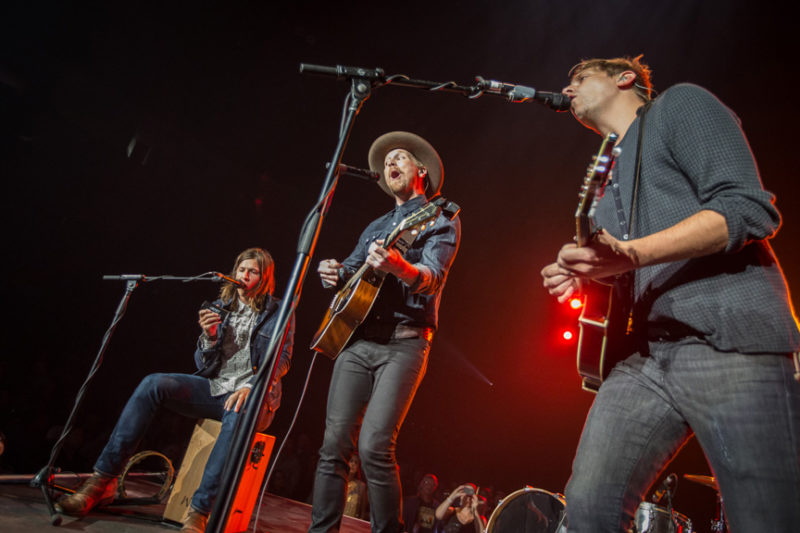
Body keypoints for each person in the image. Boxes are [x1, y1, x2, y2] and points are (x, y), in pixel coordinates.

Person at [540, 55, 800, 531]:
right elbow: (627, 266)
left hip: (729, 334)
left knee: (767, 518)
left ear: (626, 78)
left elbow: (747, 209)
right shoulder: (608, 171)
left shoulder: (681, 104)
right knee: (588, 505)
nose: (568, 88)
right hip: (647, 357)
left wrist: (631, 254)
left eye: (579, 77)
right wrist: (586, 274)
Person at [55, 247, 295, 533]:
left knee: (238, 408)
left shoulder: (279, 311)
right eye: (242, 269)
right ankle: (101, 481)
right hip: (216, 387)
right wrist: (209, 337)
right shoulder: (220, 305)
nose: (245, 275)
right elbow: (202, 363)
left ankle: (200, 511)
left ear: (265, 277)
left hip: (254, 398)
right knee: (153, 384)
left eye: (253, 271)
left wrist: (251, 386)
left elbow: (283, 360)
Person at [308, 131, 461, 533]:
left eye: (401, 158)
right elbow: (352, 272)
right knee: (333, 445)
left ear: (421, 172)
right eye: (387, 160)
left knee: (374, 446)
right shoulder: (376, 224)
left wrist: (399, 266)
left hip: (405, 344)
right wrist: (334, 272)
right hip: (358, 341)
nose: (390, 164)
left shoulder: (441, 218)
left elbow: (432, 279)